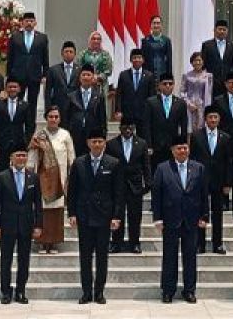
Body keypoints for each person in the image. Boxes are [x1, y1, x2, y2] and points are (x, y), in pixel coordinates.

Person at [66, 128, 122, 304]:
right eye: (94, 142)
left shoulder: (113, 163)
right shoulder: (79, 163)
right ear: (88, 143)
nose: (97, 145)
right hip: (84, 216)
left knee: (102, 256)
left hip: (105, 217)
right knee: (85, 256)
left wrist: (116, 216)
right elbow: (72, 191)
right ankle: (86, 292)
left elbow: (118, 193)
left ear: (105, 143)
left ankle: (99, 292)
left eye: (100, 141)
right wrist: (72, 213)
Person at [151, 136, 208, 303]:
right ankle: (168, 290)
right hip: (170, 219)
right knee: (169, 256)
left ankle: (189, 290)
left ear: (188, 149)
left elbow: (204, 194)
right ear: (172, 150)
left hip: (192, 219)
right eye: (179, 148)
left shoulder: (198, 168)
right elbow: (157, 195)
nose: (182, 151)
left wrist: (204, 216)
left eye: (185, 148)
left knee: (190, 256)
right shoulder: (163, 168)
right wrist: (157, 218)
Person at [0, 149, 43, 305]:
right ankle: (6, 292)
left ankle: (21, 290)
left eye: (24, 155)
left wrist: (38, 224)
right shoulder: (2, 177)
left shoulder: (33, 177)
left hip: (26, 225)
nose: (21, 158)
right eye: (18, 155)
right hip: (7, 224)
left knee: (24, 259)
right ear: (11, 158)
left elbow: (38, 204)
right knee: (6, 259)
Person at [27, 104, 74, 253]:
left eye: (56, 117)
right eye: (51, 117)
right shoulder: (39, 135)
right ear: (46, 118)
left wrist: (71, 178)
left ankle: (53, 242)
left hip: (60, 178)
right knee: (42, 210)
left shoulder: (65, 135)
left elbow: (71, 158)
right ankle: (41, 242)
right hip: (42, 178)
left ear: (59, 119)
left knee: (56, 211)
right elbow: (32, 158)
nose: (53, 119)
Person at [189, 105, 232, 254]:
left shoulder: (225, 138)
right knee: (200, 212)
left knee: (218, 213)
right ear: (205, 119)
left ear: (219, 119)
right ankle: (200, 243)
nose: (213, 120)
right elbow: (192, 160)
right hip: (200, 180)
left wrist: (228, 183)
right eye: (210, 117)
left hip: (219, 181)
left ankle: (218, 243)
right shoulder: (196, 136)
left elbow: (228, 162)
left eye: (215, 117)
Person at [106, 120, 151, 253]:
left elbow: (146, 165)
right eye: (125, 127)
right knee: (117, 214)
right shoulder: (112, 144)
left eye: (130, 127)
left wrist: (148, 183)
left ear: (134, 128)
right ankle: (116, 243)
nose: (128, 130)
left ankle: (135, 243)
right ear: (120, 128)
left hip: (135, 185)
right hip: (118, 185)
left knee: (135, 216)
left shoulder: (141, 143)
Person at [7, 12, 49, 129]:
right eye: (27, 21)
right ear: (22, 23)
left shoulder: (42, 38)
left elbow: (45, 58)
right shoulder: (15, 37)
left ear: (35, 22)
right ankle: (17, 126)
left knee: (32, 103)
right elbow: (10, 58)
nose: (29, 23)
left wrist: (45, 74)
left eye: (31, 21)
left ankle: (30, 129)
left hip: (34, 76)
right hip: (17, 76)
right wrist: (9, 76)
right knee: (16, 102)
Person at [0, 78, 32, 174]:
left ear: (19, 89)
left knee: (19, 169)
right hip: (2, 142)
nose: (12, 89)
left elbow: (29, 125)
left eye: (15, 87)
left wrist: (28, 140)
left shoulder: (25, 105)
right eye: (10, 87)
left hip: (19, 142)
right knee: (2, 170)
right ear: (6, 89)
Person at [145, 73, 188, 171]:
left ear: (174, 85)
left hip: (173, 145)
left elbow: (184, 126)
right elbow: (146, 125)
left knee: (172, 172)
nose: (167, 86)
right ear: (159, 85)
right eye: (164, 84)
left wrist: (183, 145)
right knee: (156, 171)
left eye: (170, 83)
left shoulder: (181, 103)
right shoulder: (151, 102)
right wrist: (149, 145)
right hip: (156, 145)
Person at [64, 65, 107, 156]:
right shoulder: (71, 96)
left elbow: (102, 118)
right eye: (83, 75)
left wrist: (103, 135)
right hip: (75, 133)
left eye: (88, 75)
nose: (86, 77)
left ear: (93, 78)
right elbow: (66, 117)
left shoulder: (99, 97)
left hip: (92, 134)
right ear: (79, 78)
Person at [115, 48, 155, 141]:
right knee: (126, 138)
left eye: (139, 57)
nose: (137, 59)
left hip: (143, 112)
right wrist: (118, 110)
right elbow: (119, 94)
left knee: (143, 138)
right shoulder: (123, 75)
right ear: (130, 59)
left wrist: (151, 111)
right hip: (127, 113)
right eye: (134, 57)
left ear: (143, 60)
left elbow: (152, 95)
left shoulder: (149, 75)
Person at [201, 19, 233, 101]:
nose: (222, 31)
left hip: (228, 84)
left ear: (227, 31)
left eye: (224, 29)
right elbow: (203, 65)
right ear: (215, 30)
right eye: (220, 29)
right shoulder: (207, 45)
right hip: (211, 83)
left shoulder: (232, 46)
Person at [44, 41, 80, 118]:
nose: (68, 54)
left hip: (75, 107)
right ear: (62, 53)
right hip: (58, 108)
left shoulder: (80, 70)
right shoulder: (53, 70)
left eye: (71, 52)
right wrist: (48, 109)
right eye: (66, 51)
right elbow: (48, 91)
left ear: (74, 54)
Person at [181, 52, 213, 132]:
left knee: (202, 129)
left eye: (199, 60)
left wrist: (207, 107)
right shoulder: (186, 75)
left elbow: (209, 93)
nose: (197, 62)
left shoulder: (209, 76)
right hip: (189, 106)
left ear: (203, 62)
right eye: (195, 60)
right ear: (192, 62)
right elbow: (182, 92)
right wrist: (188, 103)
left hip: (203, 106)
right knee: (189, 129)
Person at [139, 15, 174, 80]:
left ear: (161, 25)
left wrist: (169, 77)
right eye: (154, 23)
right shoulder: (145, 41)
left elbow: (169, 60)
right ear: (151, 25)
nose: (156, 25)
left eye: (158, 23)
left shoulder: (166, 41)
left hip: (163, 74)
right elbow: (142, 60)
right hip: (148, 75)